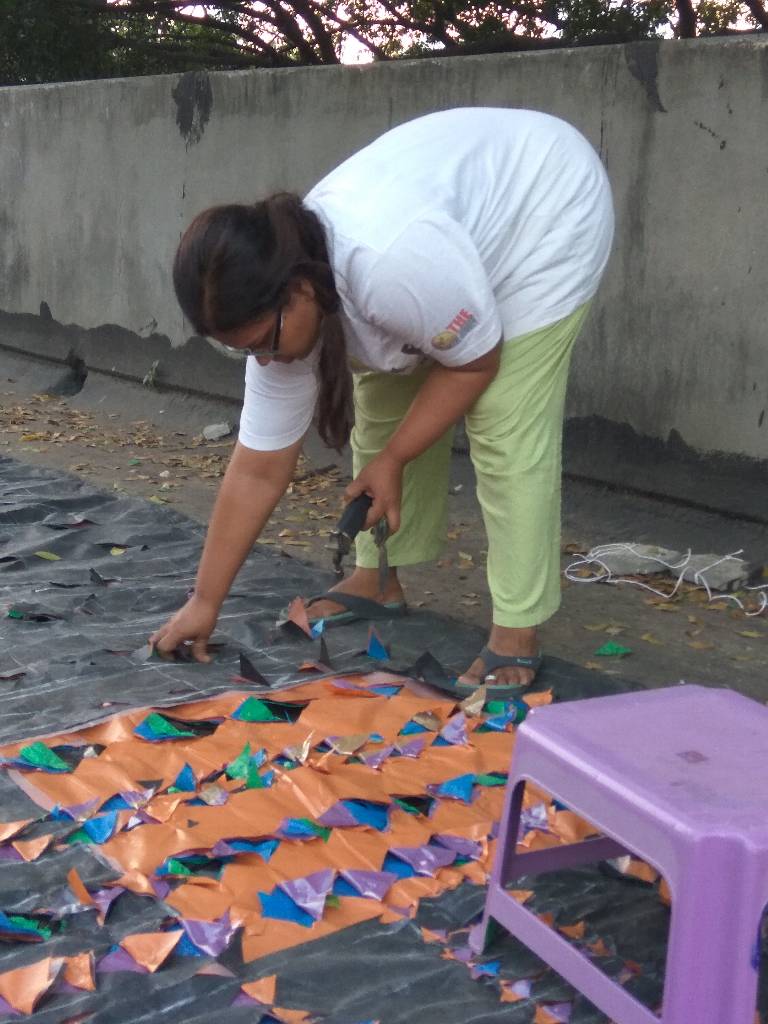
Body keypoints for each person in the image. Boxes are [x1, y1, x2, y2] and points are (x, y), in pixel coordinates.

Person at [149, 107, 614, 694]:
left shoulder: (385, 264)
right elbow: (258, 469)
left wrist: (394, 459)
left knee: (504, 422)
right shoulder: (286, 301)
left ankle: (516, 630)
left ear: (298, 290)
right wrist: (205, 600)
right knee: (383, 397)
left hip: (544, 208)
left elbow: (475, 361)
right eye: (242, 350)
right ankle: (378, 578)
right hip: (441, 247)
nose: (263, 361)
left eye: (263, 343)